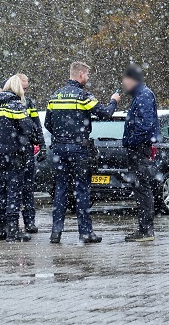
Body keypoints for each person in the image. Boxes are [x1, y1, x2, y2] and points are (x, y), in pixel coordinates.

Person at [45, 61, 120, 244]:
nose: (87, 78)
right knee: (82, 190)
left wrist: (63, 137)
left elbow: (48, 123)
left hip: (59, 149)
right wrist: (114, 101)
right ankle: (85, 233)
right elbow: (105, 113)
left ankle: (56, 232)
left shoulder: (55, 96)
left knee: (61, 189)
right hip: (79, 149)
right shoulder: (83, 96)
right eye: (87, 75)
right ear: (80, 75)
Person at [0, 75, 34, 242]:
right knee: (14, 191)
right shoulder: (15, 105)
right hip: (14, 154)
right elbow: (28, 128)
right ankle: (12, 229)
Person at [120, 64, 160, 242]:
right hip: (139, 149)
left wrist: (130, 142)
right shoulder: (141, 95)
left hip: (140, 149)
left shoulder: (143, 95)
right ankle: (144, 229)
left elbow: (144, 126)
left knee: (143, 189)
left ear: (131, 79)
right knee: (141, 189)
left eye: (124, 80)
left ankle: (146, 231)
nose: (123, 84)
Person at [17, 73, 44, 234]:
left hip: (26, 150)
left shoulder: (29, 103)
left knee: (27, 189)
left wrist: (42, 144)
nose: (25, 91)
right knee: (13, 189)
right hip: (14, 151)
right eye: (23, 88)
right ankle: (9, 224)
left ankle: (29, 222)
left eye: (26, 88)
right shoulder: (9, 103)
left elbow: (37, 125)